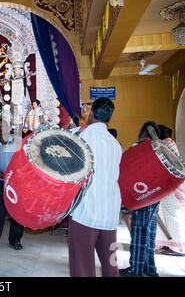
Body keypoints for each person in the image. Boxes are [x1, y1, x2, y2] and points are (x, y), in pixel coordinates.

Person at [67, 97, 122, 277]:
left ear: (91, 114)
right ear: (109, 118)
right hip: (110, 213)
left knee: (82, 265)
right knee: (111, 263)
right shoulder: (116, 145)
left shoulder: (82, 136)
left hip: (86, 211)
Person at [120, 121, 161, 277]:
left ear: (144, 133)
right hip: (155, 195)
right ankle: (150, 268)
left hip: (142, 195)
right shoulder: (159, 149)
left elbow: (128, 168)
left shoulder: (140, 147)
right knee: (150, 233)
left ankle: (136, 270)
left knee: (139, 233)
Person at [155, 125, 185, 257]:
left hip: (173, 188)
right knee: (167, 216)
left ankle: (178, 247)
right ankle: (168, 243)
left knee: (174, 217)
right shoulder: (170, 145)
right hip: (172, 187)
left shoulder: (167, 146)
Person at [0, 119, 24, 250]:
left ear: (8, 127)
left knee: (17, 213)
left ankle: (15, 240)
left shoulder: (16, 142)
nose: (0, 129)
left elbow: (23, 161)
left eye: (2, 126)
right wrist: (5, 177)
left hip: (17, 183)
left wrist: (13, 178)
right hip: (2, 182)